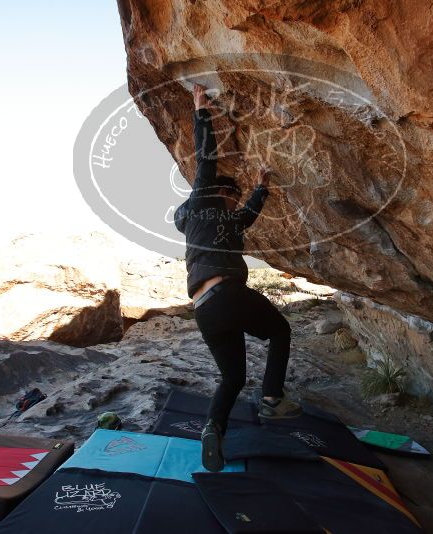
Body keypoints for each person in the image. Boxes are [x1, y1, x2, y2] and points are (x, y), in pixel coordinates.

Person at [173, 83, 302, 472]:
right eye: (235, 193)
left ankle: (214, 428)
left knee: (232, 376)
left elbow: (246, 217)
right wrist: (201, 110)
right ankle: (273, 399)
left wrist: (260, 189)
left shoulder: (217, 222)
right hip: (228, 294)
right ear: (222, 193)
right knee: (280, 331)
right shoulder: (204, 202)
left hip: (204, 309)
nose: (235, 198)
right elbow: (205, 160)